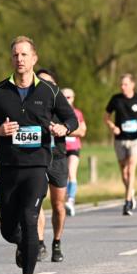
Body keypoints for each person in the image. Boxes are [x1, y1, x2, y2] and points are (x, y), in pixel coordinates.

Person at [0, 36, 78, 274]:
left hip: (36, 166)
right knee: (8, 230)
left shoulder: (49, 91)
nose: (19, 59)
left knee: (30, 219)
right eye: (15, 55)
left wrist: (63, 128)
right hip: (9, 167)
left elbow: (70, 118)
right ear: (11, 59)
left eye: (24, 55)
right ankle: (23, 245)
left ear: (34, 58)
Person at [29, 69, 80, 265]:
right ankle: (40, 242)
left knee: (58, 206)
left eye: (49, 83)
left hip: (57, 158)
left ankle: (56, 242)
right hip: (36, 158)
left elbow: (74, 121)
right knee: (37, 202)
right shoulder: (31, 104)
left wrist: (64, 128)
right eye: (41, 82)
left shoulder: (60, 103)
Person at [104, 74, 137, 216]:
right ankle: (131, 191)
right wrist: (112, 127)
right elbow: (106, 116)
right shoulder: (116, 99)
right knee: (124, 173)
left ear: (132, 85)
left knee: (131, 169)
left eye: (125, 84)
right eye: (121, 84)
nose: (122, 87)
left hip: (136, 139)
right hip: (120, 139)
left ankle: (127, 202)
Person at [62, 86, 86, 218]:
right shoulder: (56, 112)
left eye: (68, 97)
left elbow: (82, 131)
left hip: (73, 147)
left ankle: (71, 200)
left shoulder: (77, 113)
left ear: (73, 98)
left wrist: (65, 130)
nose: (66, 100)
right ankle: (64, 201)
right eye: (63, 97)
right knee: (62, 176)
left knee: (71, 172)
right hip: (60, 148)